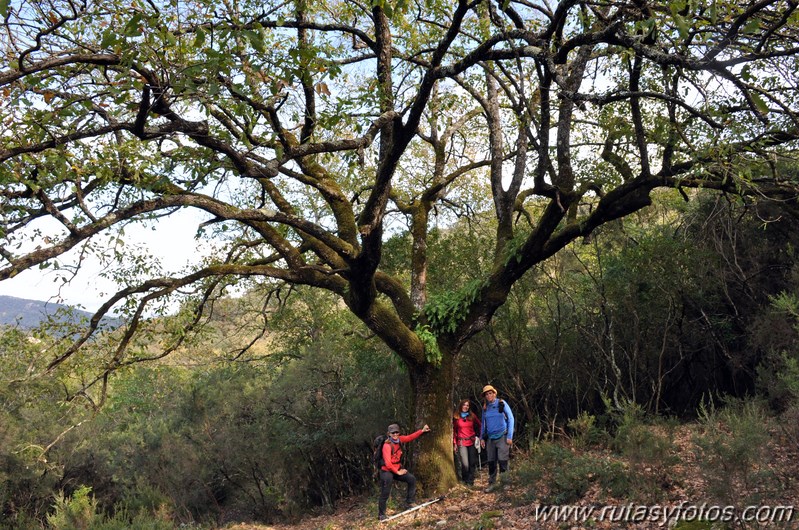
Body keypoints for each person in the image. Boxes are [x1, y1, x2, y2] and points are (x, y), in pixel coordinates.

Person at [377, 422, 430, 521]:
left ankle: (409, 502)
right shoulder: (387, 446)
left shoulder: (400, 439)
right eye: (393, 433)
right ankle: (381, 514)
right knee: (385, 492)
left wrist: (422, 431)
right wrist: (398, 472)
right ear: (389, 434)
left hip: (396, 469)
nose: (395, 434)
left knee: (411, 479)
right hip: (387, 471)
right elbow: (388, 464)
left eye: (397, 432)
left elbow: (410, 437)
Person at [480, 384, 514, 492]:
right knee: (491, 461)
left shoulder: (501, 403)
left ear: (494, 393)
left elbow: (511, 418)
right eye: (487, 394)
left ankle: (505, 483)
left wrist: (509, 436)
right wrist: (481, 437)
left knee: (503, 460)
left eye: (490, 393)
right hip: (490, 438)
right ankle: (492, 484)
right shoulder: (485, 408)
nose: (489, 395)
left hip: (502, 436)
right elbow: (483, 424)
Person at [453, 399, 481, 486]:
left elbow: (480, 425)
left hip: (472, 441)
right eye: (464, 405)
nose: (466, 407)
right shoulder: (456, 417)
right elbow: (454, 431)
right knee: (465, 464)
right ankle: (465, 479)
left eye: (467, 405)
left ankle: (470, 481)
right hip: (461, 442)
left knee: (472, 462)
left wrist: (480, 437)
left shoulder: (472, 416)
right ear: (461, 406)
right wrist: (454, 443)